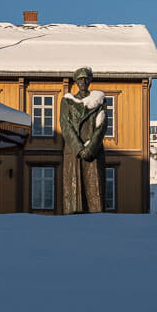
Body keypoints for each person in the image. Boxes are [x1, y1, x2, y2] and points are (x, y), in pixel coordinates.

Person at [60, 66, 108, 213]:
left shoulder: (99, 101)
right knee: (74, 193)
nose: (83, 81)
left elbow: (102, 125)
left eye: (86, 79)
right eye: (80, 79)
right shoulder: (67, 102)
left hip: (93, 151)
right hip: (74, 151)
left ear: (89, 81)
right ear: (76, 81)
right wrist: (79, 148)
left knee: (95, 191)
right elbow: (65, 125)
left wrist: (90, 149)